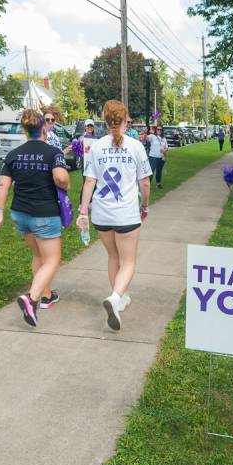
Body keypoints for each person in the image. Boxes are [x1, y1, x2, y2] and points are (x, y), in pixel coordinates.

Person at [0, 109, 69, 327]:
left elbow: (3, 184)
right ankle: (31, 298)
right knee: (52, 260)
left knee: (37, 255)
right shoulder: (53, 152)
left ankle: (45, 296)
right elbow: (60, 177)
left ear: (25, 130)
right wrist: (65, 184)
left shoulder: (14, 154)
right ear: (44, 128)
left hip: (20, 213)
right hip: (44, 213)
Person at [78, 100, 152, 331]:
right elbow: (145, 182)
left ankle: (119, 298)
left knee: (113, 257)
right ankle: (115, 298)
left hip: (102, 213)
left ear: (105, 119)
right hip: (126, 214)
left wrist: (83, 211)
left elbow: (89, 180)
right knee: (128, 261)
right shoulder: (135, 145)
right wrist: (145, 206)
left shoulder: (97, 146)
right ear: (125, 118)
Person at [148, 124, 168, 189]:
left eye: (160, 130)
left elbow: (166, 148)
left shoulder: (164, 138)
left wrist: (164, 150)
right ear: (156, 130)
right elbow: (146, 138)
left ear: (162, 131)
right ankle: (148, 185)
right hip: (153, 157)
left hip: (161, 157)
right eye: (158, 129)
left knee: (159, 171)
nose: (159, 131)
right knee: (151, 171)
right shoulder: (152, 136)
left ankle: (158, 184)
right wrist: (145, 132)